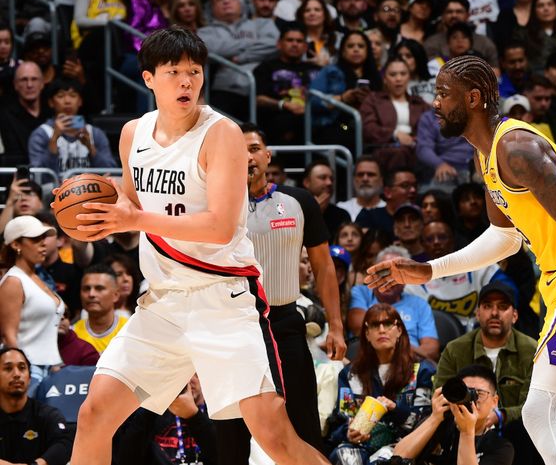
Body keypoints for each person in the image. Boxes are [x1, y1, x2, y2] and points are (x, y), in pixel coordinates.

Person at [60, 26, 334, 465]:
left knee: (274, 436)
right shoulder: (133, 133)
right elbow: (132, 205)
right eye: (174, 72)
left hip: (221, 302)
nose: (186, 81)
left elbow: (221, 227)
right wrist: (94, 216)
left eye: (194, 71)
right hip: (163, 303)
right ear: (149, 78)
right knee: (94, 414)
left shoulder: (221, 134)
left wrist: (134, 219)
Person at [365, 54, 556, 465]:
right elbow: (506, 238)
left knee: (540, 412)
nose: (435, 103)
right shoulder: (486, 154)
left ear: (472, 98)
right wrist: (431, 269)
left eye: (443, 94)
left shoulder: (517, 148)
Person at [214, 123, 345, 464]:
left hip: (284, 322)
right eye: (238, 150)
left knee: (303, 425)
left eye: (254, 148)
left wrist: (336, 326)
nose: (247, 156)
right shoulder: (214, 205)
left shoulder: (299, 201)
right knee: (231, 433)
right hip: (232, 326)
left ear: (268, 156)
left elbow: (324, 267)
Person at [433, 281, 540, 465]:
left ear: (514, 316)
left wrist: (501, 415)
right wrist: (469, 417)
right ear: (477, 313)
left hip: (515, 431)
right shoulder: (455, 349)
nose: (494, 313)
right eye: (487, 306)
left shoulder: (532, 350)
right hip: (462, 424)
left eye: (503, 306)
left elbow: (534, 404)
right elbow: (442, 396)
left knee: (523, 428)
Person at [328, 303, 435, 465]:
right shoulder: (350, 374)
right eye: (375, 325)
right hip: (361, 446)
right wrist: (348, 433)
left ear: (399, 330)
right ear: (367, 334)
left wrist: (395, 409)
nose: (382, 330)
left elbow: (425, 422)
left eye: (388, 324)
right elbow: (341, 421)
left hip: (403, 445)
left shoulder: (422, 370)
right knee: (344, 455)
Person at [391, 364, 514, 465]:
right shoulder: (440, 423)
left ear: (494, 401)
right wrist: (435, 417)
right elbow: (398, 457)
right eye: (465, 392)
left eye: (479, 394)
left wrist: (466, 432)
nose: (471, 400)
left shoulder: (500, 447)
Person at [0, 216, 64, 394]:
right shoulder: (13, 281)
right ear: (16, 244)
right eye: (35, 239)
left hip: (52, 367)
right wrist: (21, 371)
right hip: (29, 369)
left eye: (44, 238)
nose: (43, 244)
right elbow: (8, 336)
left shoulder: (37, 278)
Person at [197, 0, 279, 121]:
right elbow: (210, 49)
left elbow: (274, 44)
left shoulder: (262, 24)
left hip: (262, 89)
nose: (226, 1)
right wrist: (251, 42)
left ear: (240, 3)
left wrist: (241, 57)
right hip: (226, 90)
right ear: (212, 7)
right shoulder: (205, 32)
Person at [349, 246, 439, 361]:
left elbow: (431, 350)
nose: (388, 279)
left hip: (409, 362)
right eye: (384, 272)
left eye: (396, 274)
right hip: (370, 360)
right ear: (375, 272)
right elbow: (359, 328)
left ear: (407, 279)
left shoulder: (419, 304)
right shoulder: (361, 293)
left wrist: (393, 349)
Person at [28, 77, 117, 176]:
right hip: (54, 186)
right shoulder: (41, 134)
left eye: (73, 95)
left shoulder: (95, 134)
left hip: (89, 186)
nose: (67, 101)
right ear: (51, 102)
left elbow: (112, 172)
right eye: (60, 96)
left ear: (80, 101)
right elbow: (37, 176)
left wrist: (91, 148)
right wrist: (54, 140)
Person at [0, 347, 73, 465]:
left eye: (22, 368)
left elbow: (65, 444)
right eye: (8, 368)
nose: (17, 374)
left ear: (29, 377)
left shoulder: (47, 414)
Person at [253, 25, 319, 146]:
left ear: (305, 47)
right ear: (279, 44)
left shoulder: (316, 69)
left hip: (312, 117)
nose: (294, 44)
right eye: (290, 40)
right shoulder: (266, 67)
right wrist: (283, 104)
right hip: (278, 118)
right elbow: (258, 99)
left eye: (299, 41)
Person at [0, 61, 49, 166]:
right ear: (15, 85)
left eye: (34, 79)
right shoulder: (4, 117)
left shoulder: (52, 113)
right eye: (24, 80)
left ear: (42, 83)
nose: (29, 85)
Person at [73, 264, 127, 354]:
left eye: (99, 288)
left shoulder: (129, 330)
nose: (91, 294)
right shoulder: (73, 334)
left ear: (116, 295)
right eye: (86, 289)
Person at [301, 159, 351, 240]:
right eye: (323, 178)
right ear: (307, 182)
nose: (329, 183)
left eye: (332, 179)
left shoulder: (342, 215)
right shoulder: (295, 211)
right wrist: (313, 213)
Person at [336, 155, 386, 221]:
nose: (365, 179)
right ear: (354, 180)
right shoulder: (341, 210)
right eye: (360, 175)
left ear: (381, 180)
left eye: (371, 174)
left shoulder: (389, 211)